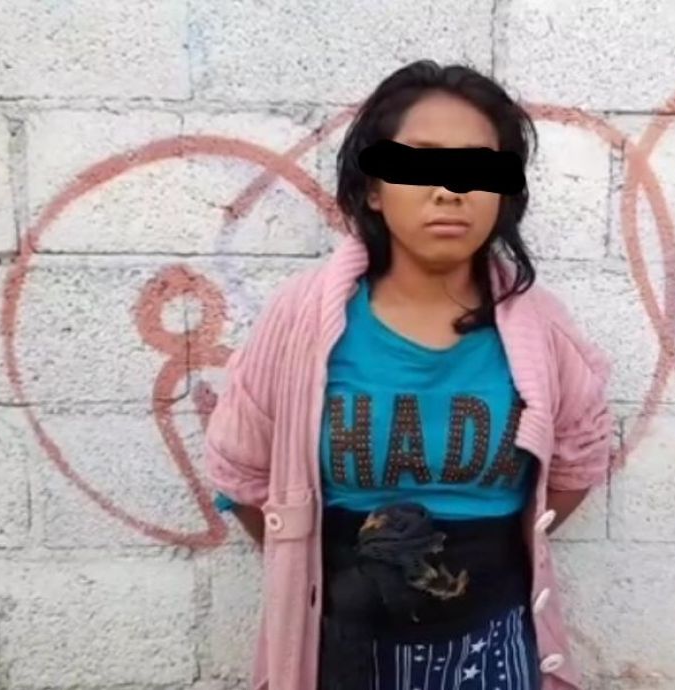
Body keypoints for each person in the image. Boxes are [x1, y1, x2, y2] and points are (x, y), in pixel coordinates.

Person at [204, 59, 613, 690]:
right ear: (373, 188)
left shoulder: (543, 330)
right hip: (341, 651)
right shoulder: (301, 322)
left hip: (491, 648)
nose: (449, 190)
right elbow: (244, 472)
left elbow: (579, 461)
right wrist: (316, 566)